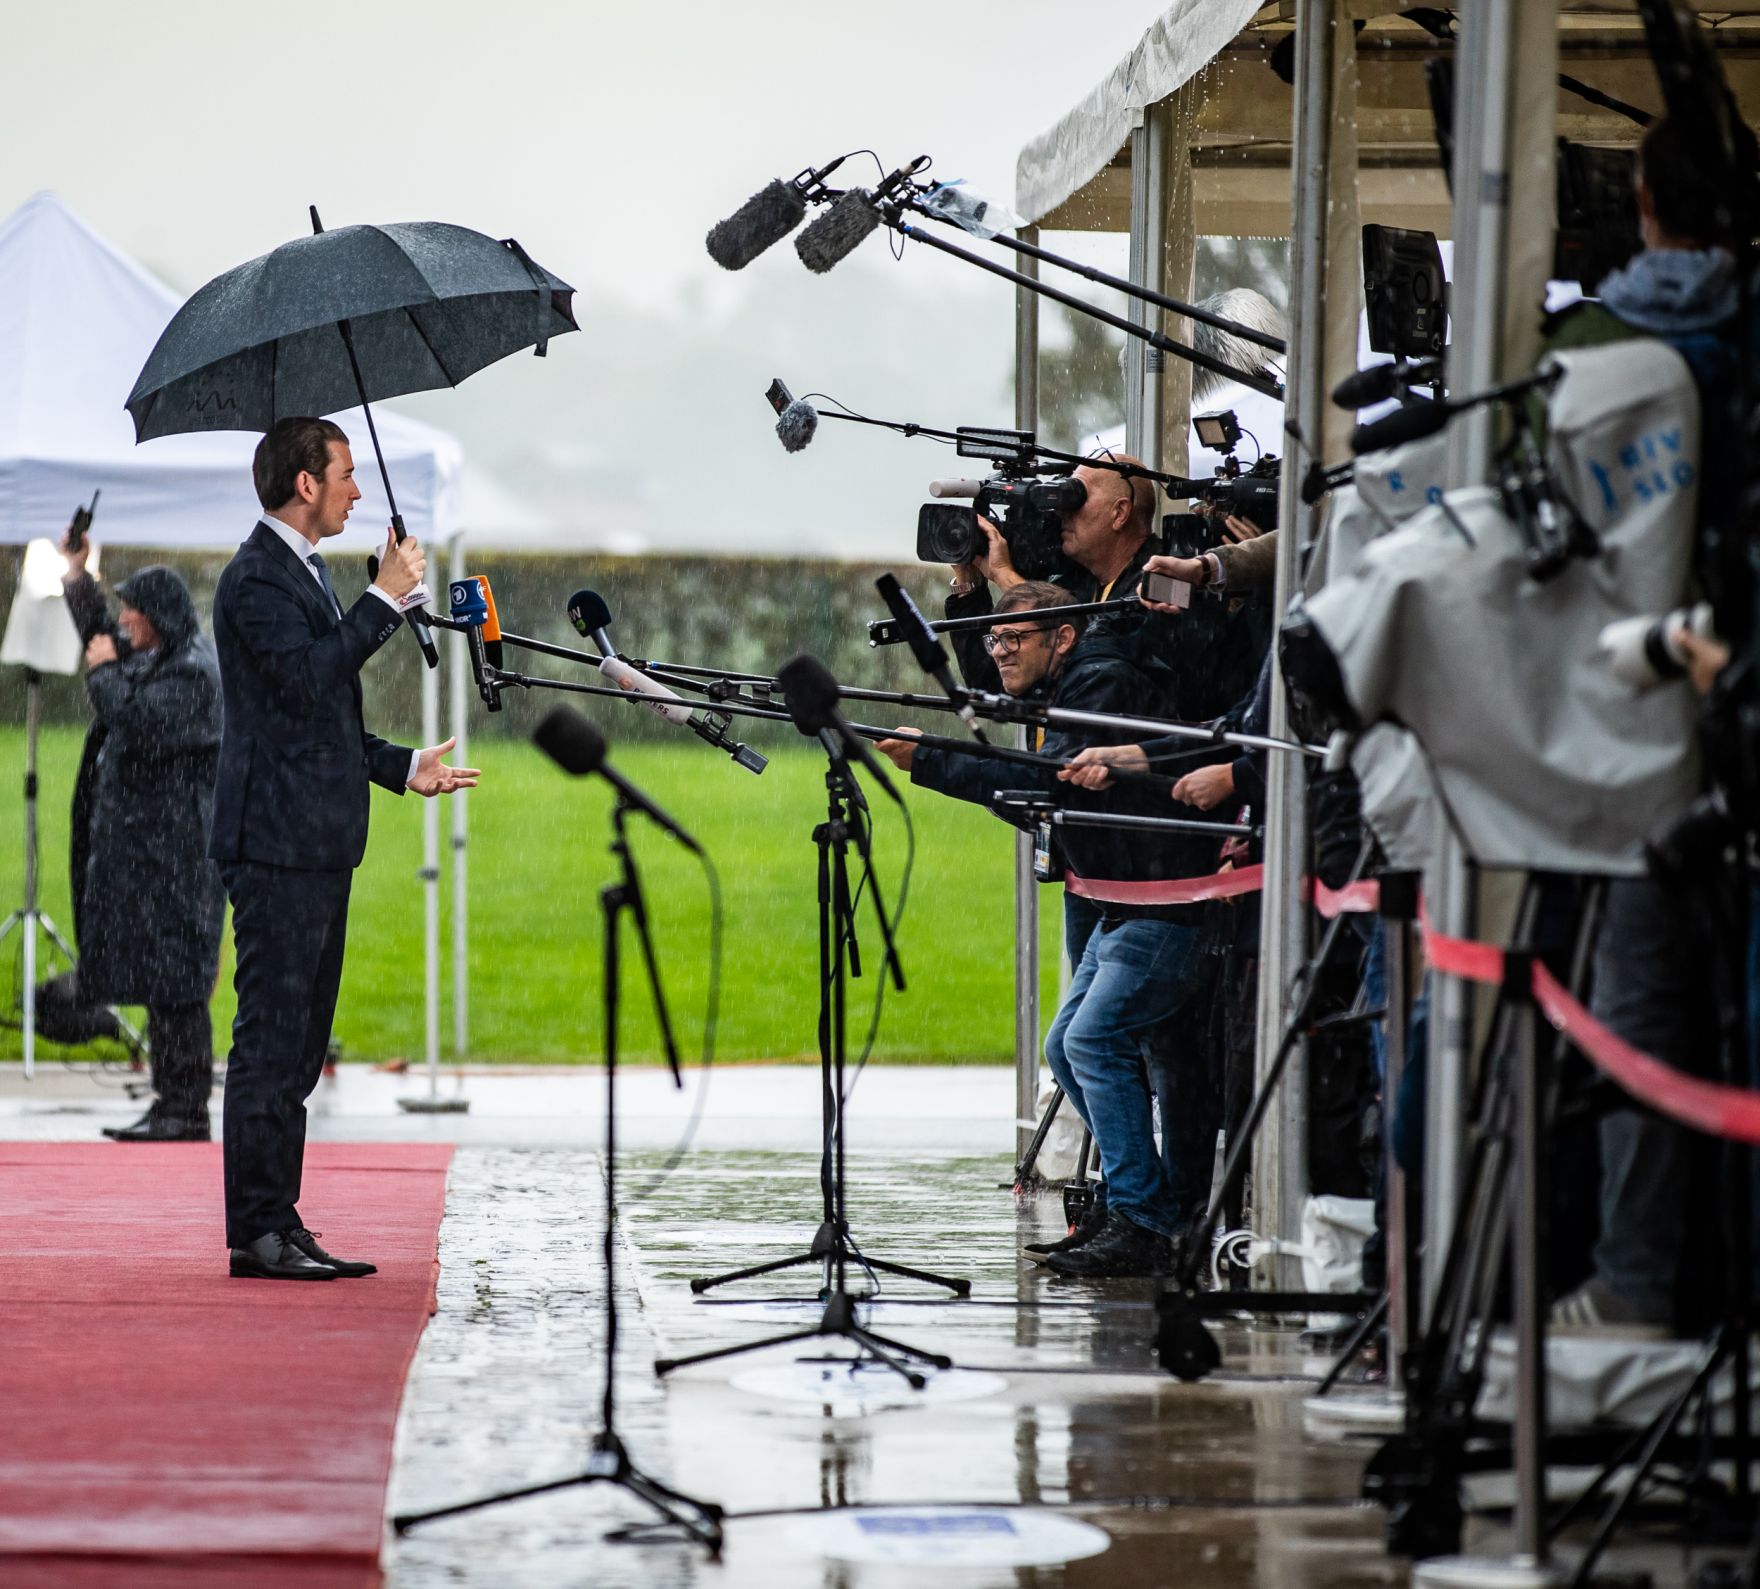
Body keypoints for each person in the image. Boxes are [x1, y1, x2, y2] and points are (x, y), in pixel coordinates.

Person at [877, 582, 1225, 1278]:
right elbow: (1037, 791)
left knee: (1093, 1039)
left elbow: (1042, 783)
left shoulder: (1097, 682)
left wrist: (931, 759)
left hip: (1168, 903)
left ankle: (1144, 1219)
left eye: (1013, 640)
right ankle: (1140, 1201)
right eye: (992, 639)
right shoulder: (1068, 683)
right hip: (1124, 901)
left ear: (1061, 638)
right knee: (1068, 1046)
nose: (998, 652)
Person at [212, 416, 478, 1283]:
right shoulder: (255, 578)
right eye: (346, 475)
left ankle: (279, 1220)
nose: (357, 491)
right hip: (275, 845)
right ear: (304, 484)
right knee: (270, 1043)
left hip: (316, 844)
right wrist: (383, 602)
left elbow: (323, 720)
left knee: (299, 1047)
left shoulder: (305, 573)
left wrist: (404, 768)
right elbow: (301, 684)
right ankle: (256, 1231)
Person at [52, 543, 226, 1141]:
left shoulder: (193, 674)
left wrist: (100, 671)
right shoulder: (164, 651)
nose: (125, 622)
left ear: (160, 616)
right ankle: (168, 1102)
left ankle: (185, 1108)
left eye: (133, 611)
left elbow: (136, 721)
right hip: (151, 856)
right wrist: (77, 576)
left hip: (177, 858)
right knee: (159, 977)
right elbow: (104, 637)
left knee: (178, 985)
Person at [943, 454, 1162, 695]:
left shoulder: (1160, 583)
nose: (1061, 512)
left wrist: (1007, 578)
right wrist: (968, 583)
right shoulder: (1075, 582)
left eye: (1076, 498)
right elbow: (990, 683)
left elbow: (1097, 660)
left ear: (1119, 512)